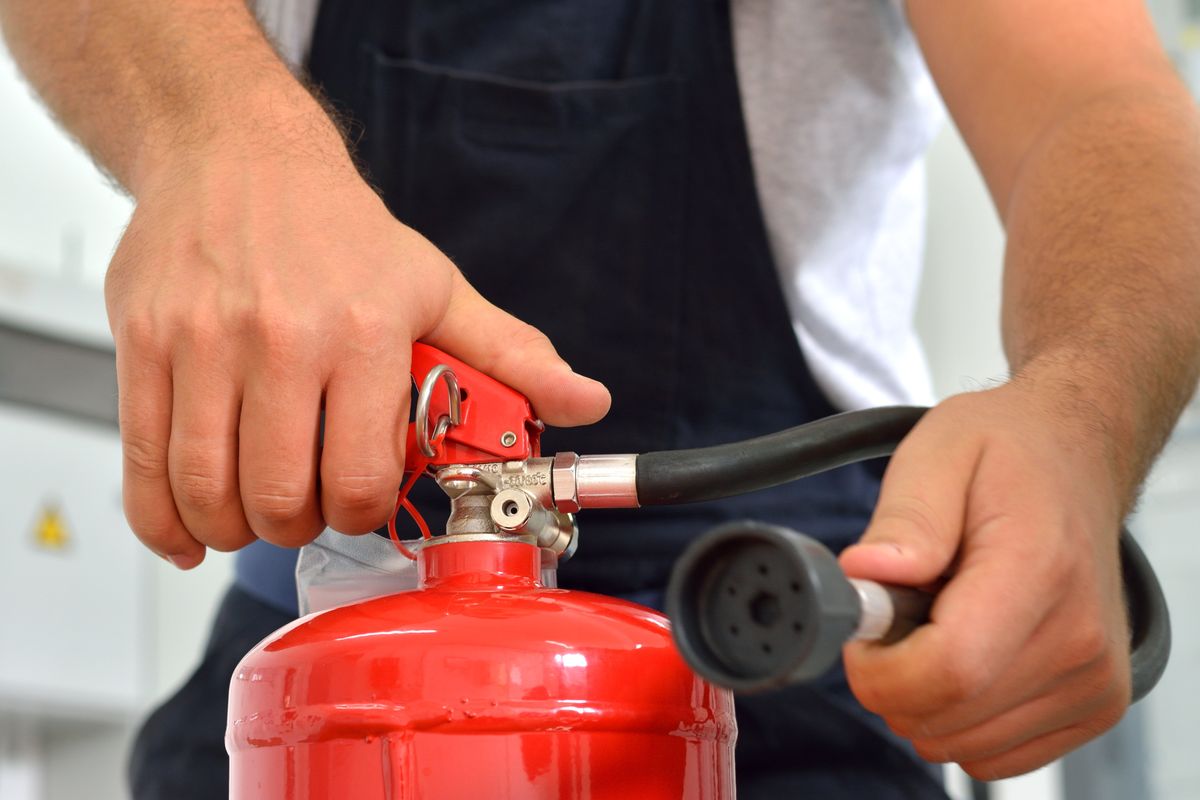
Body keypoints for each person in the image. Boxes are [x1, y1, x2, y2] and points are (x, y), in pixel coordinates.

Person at [3, 0, 1198, 797]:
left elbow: (1097, 98)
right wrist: (219, 134)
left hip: (772, 609)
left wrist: (1078, 412)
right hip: (335, 589)